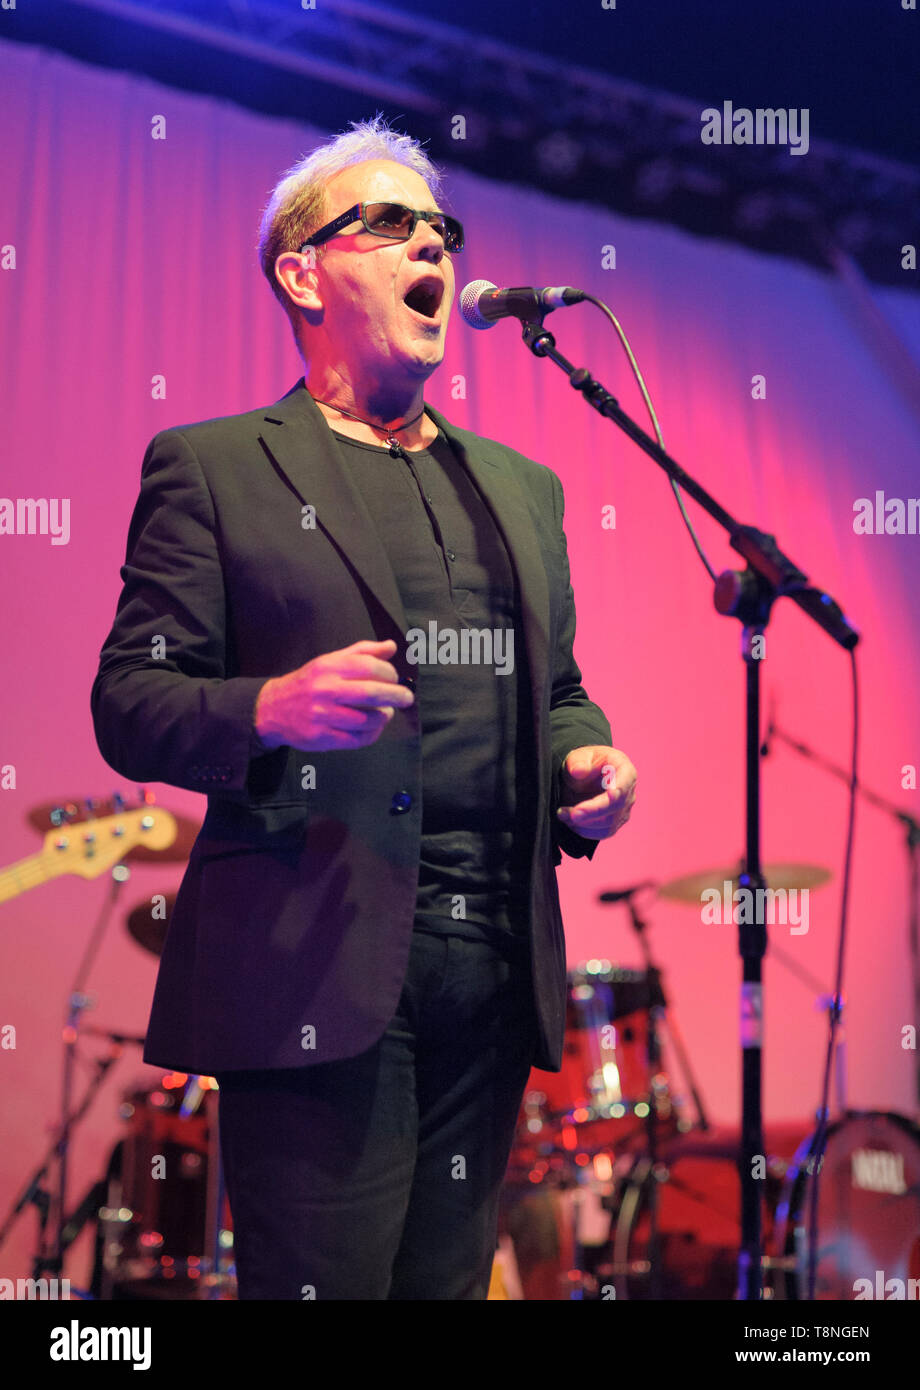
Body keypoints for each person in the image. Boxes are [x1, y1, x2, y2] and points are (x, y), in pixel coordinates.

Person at [91, 116, 637, 1300]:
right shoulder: (216, 466)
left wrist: (585, 762)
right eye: (387, 223)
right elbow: (131, 700)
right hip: (314, 964)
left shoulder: (520, 490)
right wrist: (267, 707)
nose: (427, 243)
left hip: (491, 970)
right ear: (301, 272)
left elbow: (556, 693)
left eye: (438, 227)